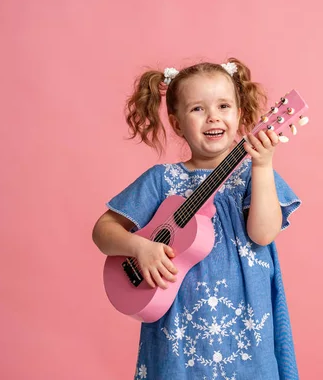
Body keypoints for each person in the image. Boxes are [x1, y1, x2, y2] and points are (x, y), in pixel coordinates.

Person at [92, 57, 302, 379]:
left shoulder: (251, 175)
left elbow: (263, 234)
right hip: (178, 326)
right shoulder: (163, 180)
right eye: (197, 109)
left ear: (240, 114)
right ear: (177, 124)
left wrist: (262, 166)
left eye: (223, 106)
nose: (213, 117)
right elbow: (103, 231)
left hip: (246, 326)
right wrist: (139, 248)